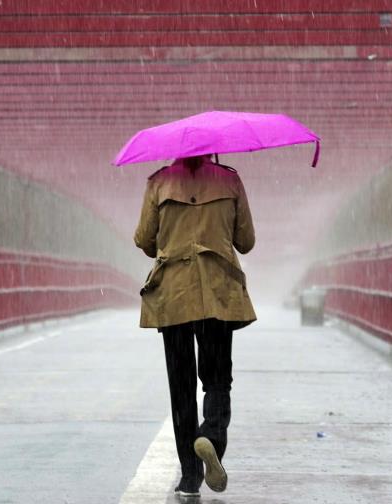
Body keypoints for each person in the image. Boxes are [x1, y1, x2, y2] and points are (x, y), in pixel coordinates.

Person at [134, 154, 256, 498]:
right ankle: (211, 436)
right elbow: (245, 241)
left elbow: (144, 240)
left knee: (181, 387)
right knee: (217, 378)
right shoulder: (229, 180)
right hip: (217, 294)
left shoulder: (159, 182)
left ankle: (190, 477)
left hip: (173, 296)